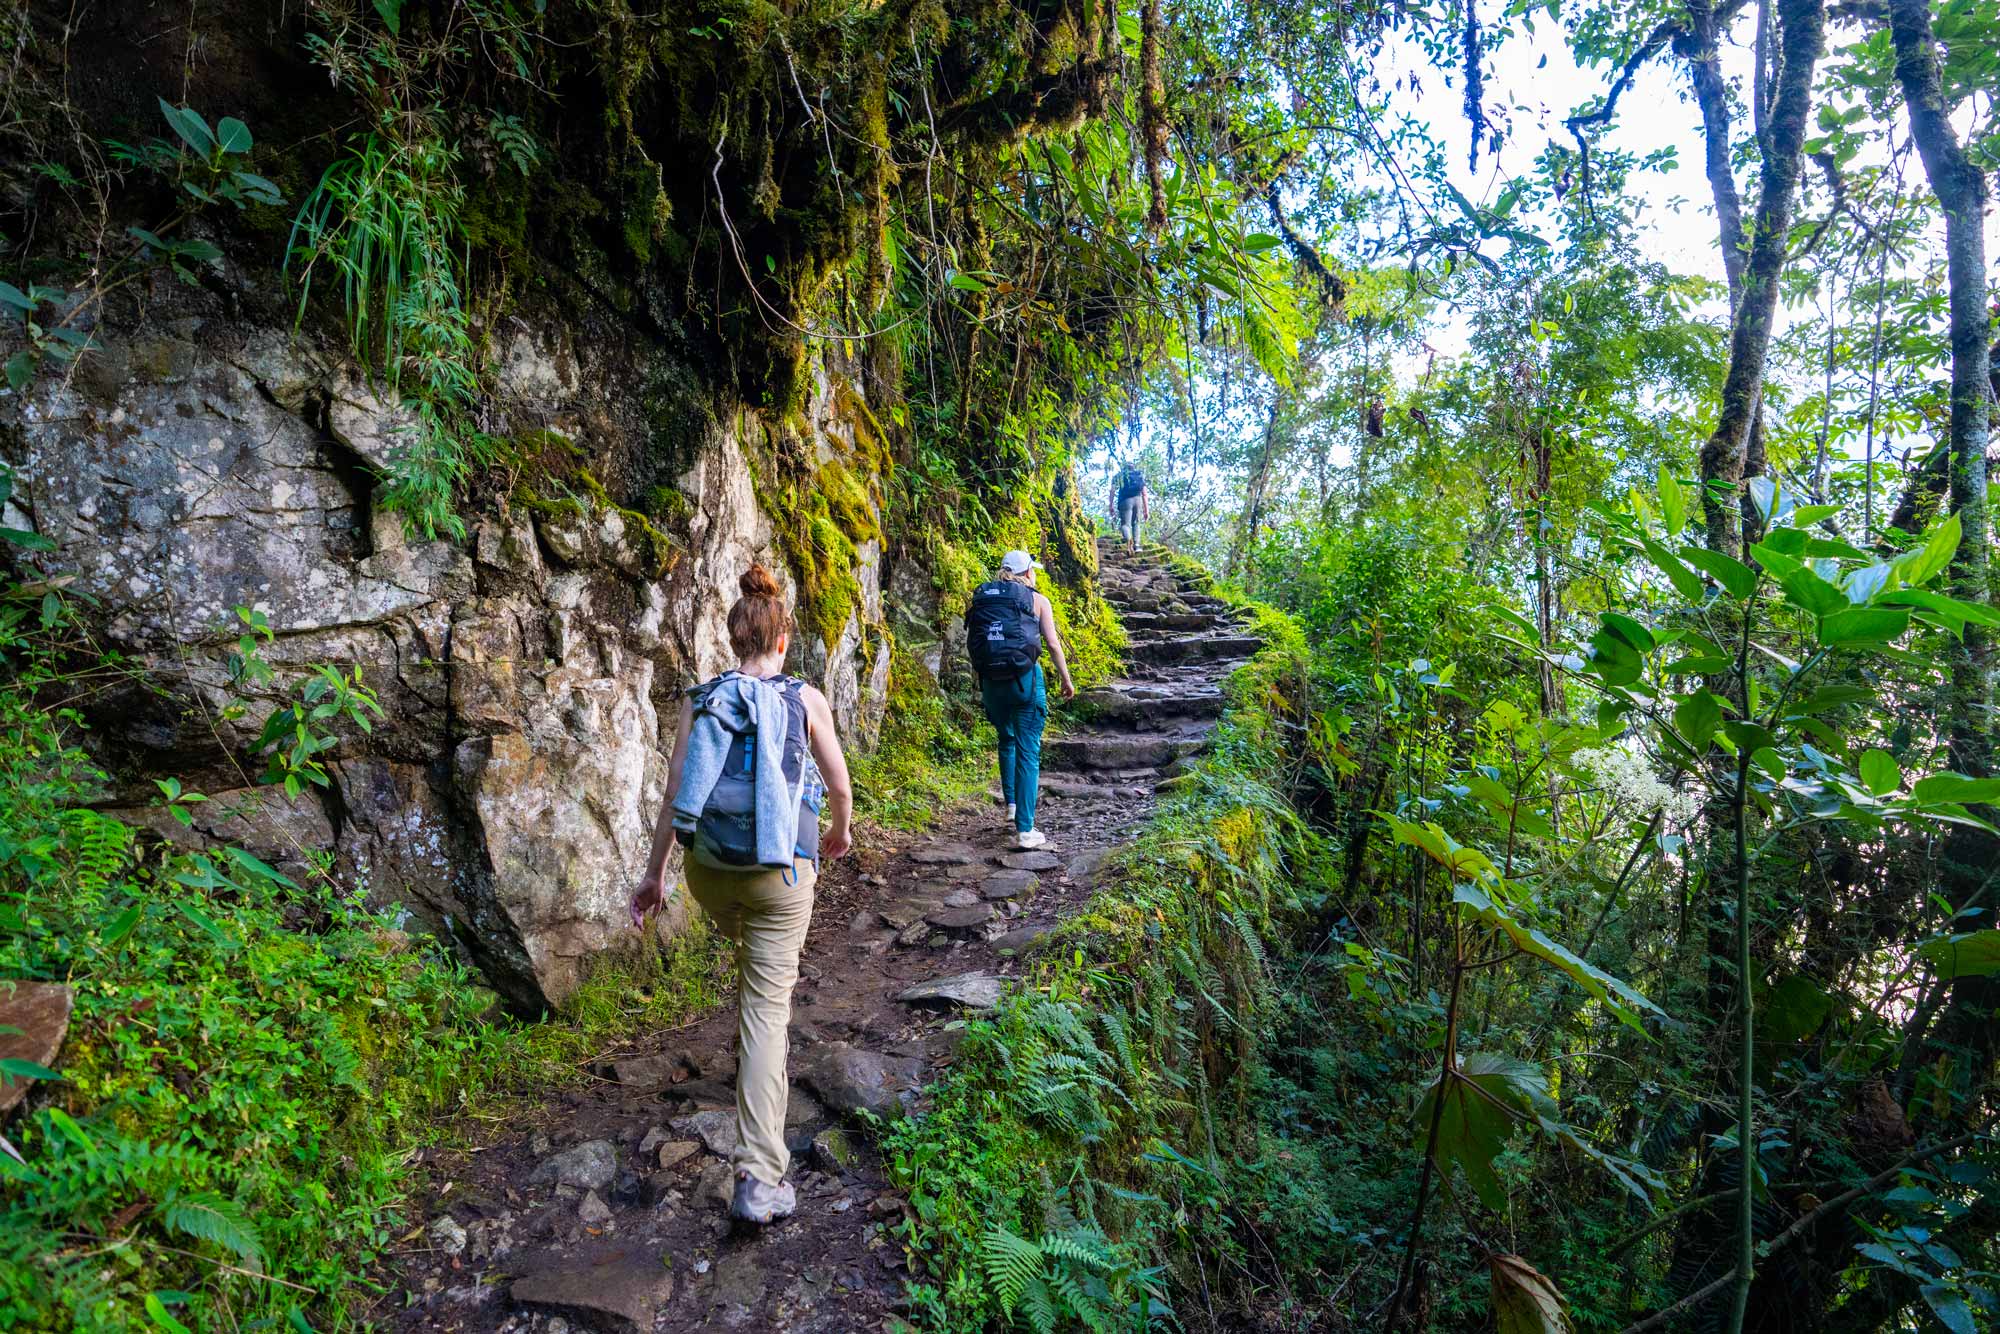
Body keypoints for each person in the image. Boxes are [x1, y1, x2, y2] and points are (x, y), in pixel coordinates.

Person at [630, 564, 852, 1228]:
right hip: (780, 876)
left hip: (710, 874)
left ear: (734, 641)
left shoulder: (703, 699)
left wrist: (655, 876)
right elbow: (840, 789)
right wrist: (839, 834)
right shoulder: (804, 699)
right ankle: (759, 1175)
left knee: (747, 944)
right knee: (764, 1011)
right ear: (782, 641)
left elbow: (677, 796)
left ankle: (750, 951)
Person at [964, 550, 1076, 849]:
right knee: (1029, 749)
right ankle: (1026, 830)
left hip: (990, 682)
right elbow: (1051, 643)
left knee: (1006, 738)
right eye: (1033, 570)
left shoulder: (984, 599)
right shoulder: (1037, 600)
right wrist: (1066, 679)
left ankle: (1011, 807)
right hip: (1024, 680)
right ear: (1028, 573)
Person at [1110, 462, 1149, 551]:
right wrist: (1146, 510)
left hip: (1125, 501)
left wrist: (1111, 505)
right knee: (1136, 523)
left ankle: (1128, 541)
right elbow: (1144, 494)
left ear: (1124, 468)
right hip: (1138, 500)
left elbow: (1112, 490)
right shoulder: (1139, 475)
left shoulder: (1119, 476)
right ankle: (1137, 545)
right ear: (1133, 468)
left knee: (1125, 525)